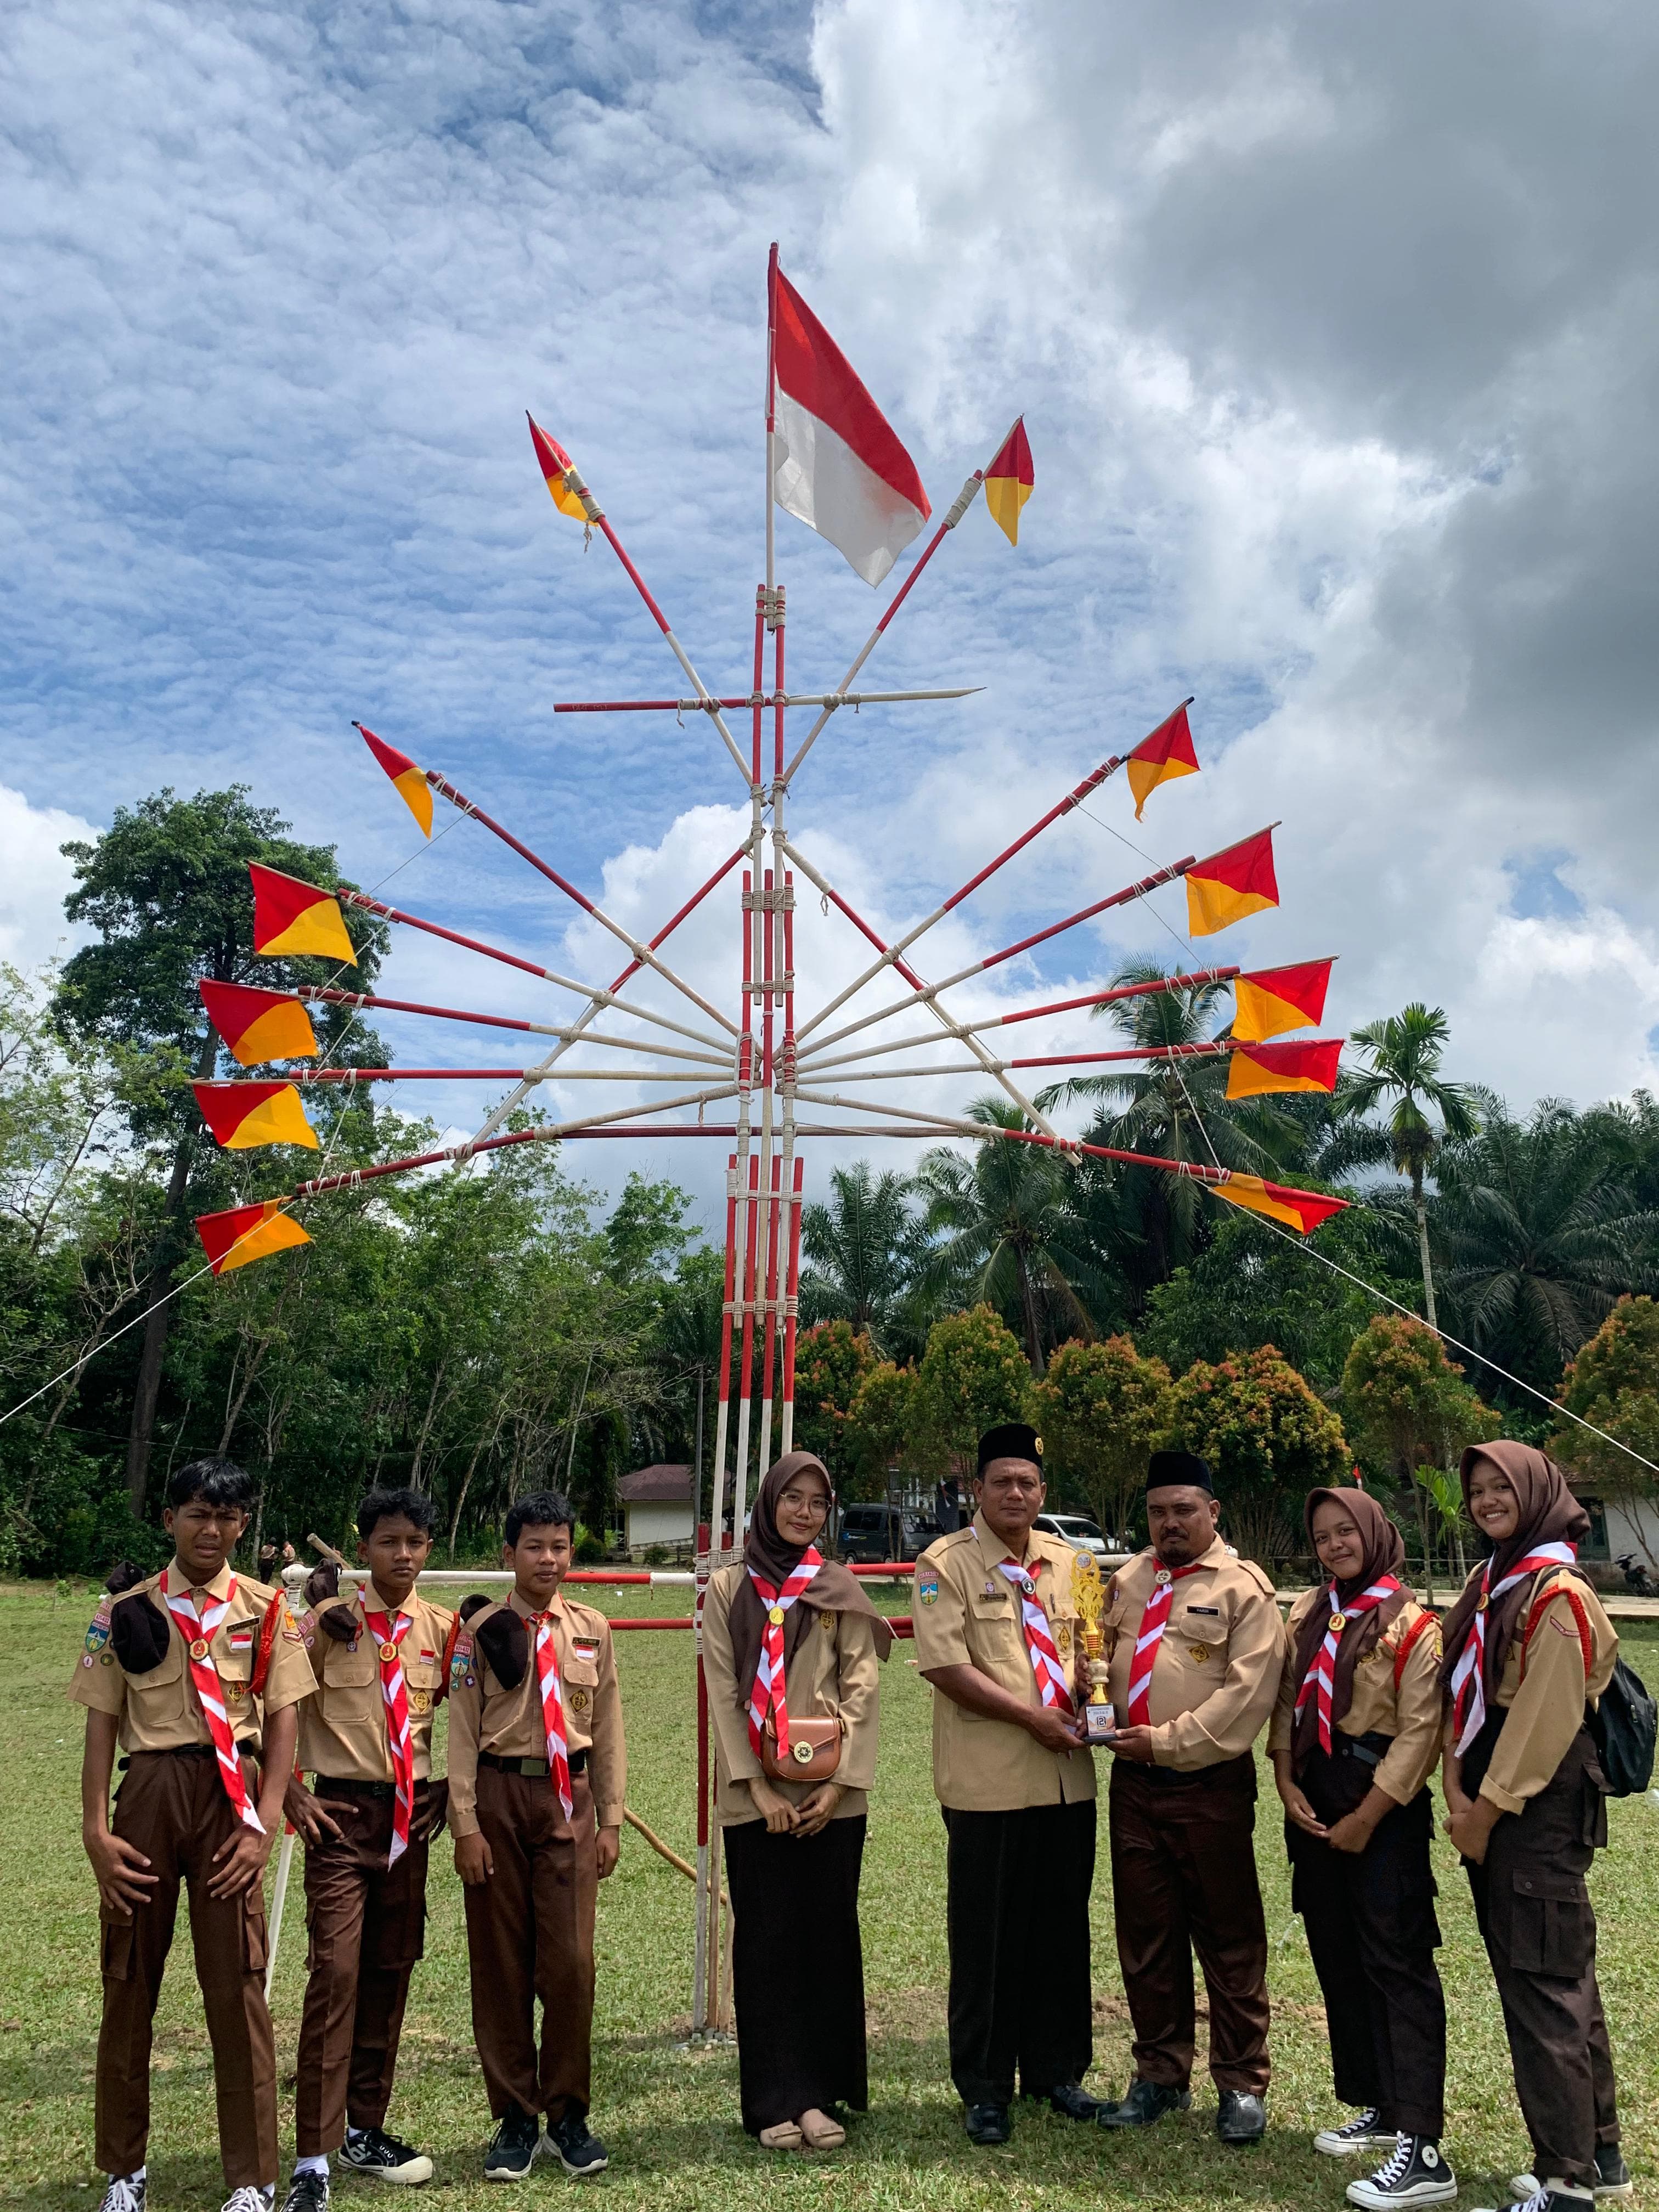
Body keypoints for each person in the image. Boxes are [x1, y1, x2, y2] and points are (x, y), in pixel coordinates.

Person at [70, 1457, 315, 2212]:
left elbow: (283, 1725)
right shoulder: (126, 1610)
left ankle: (250, 2178)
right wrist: (94, 1832)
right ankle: (124, 2170)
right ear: (170, 1520)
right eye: (196, 1514)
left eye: (226, 1517)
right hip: (146, 1795)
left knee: (237, 1989)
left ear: (244, 1526)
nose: (211, 1530)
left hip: (228, 1800)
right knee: (129, 1982)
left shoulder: (267, 1608)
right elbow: (102, 1725)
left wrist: (264, 1826)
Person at [1438, 1443, 1625, 2212]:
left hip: (1532, 1810)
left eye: (1501, 1489)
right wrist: (1453, 1779)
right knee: (1559, 1978)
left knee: (1544, 1988)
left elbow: (1544, 1722)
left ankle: (1565, 2181)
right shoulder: (1496, 1581)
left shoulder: (1557, 1593)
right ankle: (1600, 2154)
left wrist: (1484, 1811)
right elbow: (1457, 1680)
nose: (1486, 1502)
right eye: (1478, 1491)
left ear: (1539, 1492)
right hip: (1492, 1800)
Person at [701, 1450, 894, 2151]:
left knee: (826, 1936)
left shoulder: (836, 1585)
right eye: (793, 1499)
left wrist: (840, 1785)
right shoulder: (728, 1588)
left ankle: (820, 2093)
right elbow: (721, 1689)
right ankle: (774, 2099)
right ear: (769, 1503)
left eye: (817, 1502)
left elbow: (863, 1688)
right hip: (756, 1798)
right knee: (765, 1941)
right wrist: (754, 1785)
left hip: (830, 1799)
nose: (804, 1512)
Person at [911, 1423, 1098, 2146]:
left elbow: (1092, 1652)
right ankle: (985, 2087)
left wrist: (1087, 1689)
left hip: (1065, 1782)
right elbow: (946, 1668)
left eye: (1028, 1482)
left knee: (1059, 1930)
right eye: (1002, 1482)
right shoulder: (943, 1563)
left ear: (1042, 1491)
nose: (1016, 1493)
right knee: (986, 1939)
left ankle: (1056, 2071)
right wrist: (1034, 1719)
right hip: (987, 1785)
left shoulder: (1075, 1563)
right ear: (977, 1491)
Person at [1271, 1486, 1452, 2208]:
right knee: (1339, 1958)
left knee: (1396, 1967)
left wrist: (1369, 1815)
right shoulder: (1310, 1612)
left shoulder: (1413, 1625)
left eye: (1347, 1531)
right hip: (1314, 1802)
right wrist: (1284, 1779)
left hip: (1381, 1812)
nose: (1335, 1545)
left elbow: (1420, 1733)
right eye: (1322, 1537)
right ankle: (1380, 2105)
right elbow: (1287, 1698)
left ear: (1376, 1533)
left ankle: (1424, 2147)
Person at [1096, 1448, 1281, 2145]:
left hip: (1208, 1786)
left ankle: (1241, 2084)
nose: (1169, 1523)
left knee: (1228, 1938)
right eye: (1157, 1512)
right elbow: (1099, 1656)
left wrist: (1165, 1742)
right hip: (1134, 1784)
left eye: (1183, 1510)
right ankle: (1159, 2076)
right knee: (1147, 1935)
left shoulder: (1245, 1589)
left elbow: (1246, 1698)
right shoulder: (1129, 1578)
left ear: (1213, 1512)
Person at [279, 1489, 456, 2210]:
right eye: (389, 1542)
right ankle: (313, 2158)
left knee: (390, 1970)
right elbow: (272, 1699)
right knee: (338, 1975)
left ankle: (366, 2130)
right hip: (340, 1820)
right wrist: (290, 1789)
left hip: (409, 1824)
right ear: (366, 1545)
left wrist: (455, 1791)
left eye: (416, 1542)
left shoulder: (441, 1630)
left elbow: (473, 1712)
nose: (404, 1555)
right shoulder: (328, 1623)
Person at [446, 1488, 625, 2181]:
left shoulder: (592, 1629)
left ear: (570, 1552)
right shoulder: (482, 1630)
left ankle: (568, 2114)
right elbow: (461, 1729)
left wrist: (610, 1818)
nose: (547, 1558)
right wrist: (465, 1823)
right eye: (533, 1546)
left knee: (571, 1964)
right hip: (498, 1794)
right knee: (500, 1963)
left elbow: (608, 1730)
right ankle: (516, 2119)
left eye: (558, 1546)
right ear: (509, 1553)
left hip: (569, 1799)